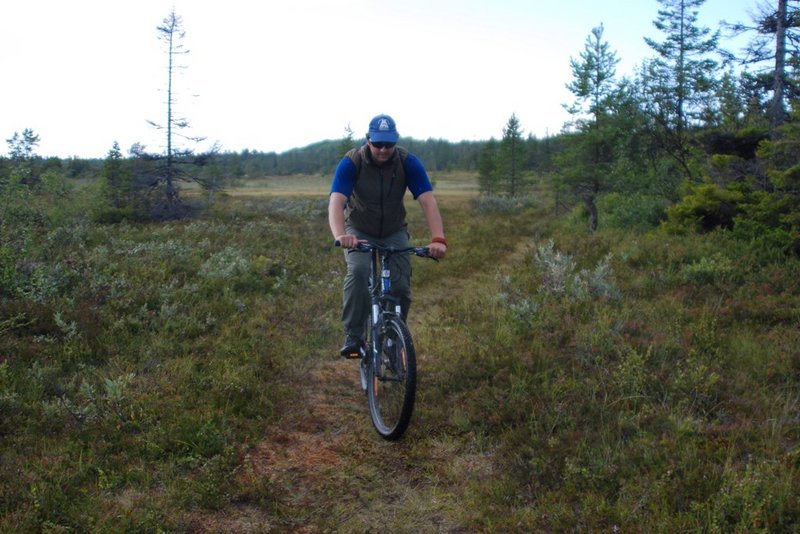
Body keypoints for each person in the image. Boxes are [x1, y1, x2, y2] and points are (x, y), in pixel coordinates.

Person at [328, 114, 447, 357]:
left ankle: (394, 338)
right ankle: (354, 334)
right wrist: (341, 235)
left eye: (388, 144)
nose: (383, 150)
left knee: (401, 286)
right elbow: (336, 201)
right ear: (367, 140)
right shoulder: (353, 161)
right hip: (358, 230)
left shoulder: (407, 162)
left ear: (395, 142)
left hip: (394, 231)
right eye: (377, 144)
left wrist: (438, 239)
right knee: (359, 271)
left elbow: (428, 201)